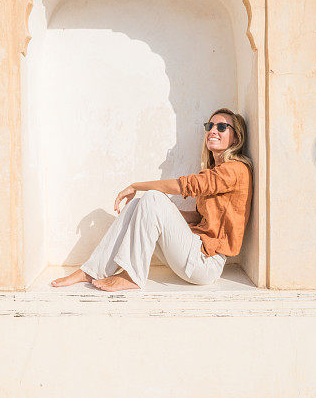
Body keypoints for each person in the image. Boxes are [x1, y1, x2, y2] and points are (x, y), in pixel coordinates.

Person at [51, 107, 253, 292]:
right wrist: (163, 214)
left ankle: (132, 275)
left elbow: (186, 186)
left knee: (153, 198)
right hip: (192, 252)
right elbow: (199, 218)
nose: (213, 131)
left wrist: (136, 186)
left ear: (236, 138)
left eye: (222, 127)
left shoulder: (236, 169)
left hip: (205, 262)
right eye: (209, 126)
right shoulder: (215, 171)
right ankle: (91, 270)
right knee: (141, 204)